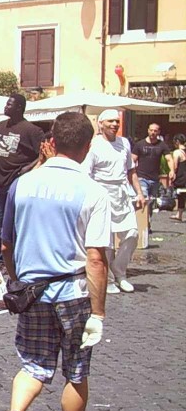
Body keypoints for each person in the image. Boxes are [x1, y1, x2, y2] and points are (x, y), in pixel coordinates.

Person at [0, 112, 111, 411]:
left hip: (33, 292)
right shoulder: (93, 191)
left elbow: (6, 244)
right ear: (87, 146)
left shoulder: (23, 184)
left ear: (52, 142)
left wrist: (18, 280)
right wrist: (99, 312)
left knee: (33, 364)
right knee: (75, 371)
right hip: (73, 292)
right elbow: (95, 258)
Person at [84, 109, 145, 294]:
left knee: (132, 233)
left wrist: (139, 193)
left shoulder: (124, 143)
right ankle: (109, 278)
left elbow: (131, 171)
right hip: (101, 193)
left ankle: (120, 271)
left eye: (117, 121)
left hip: (122, 193)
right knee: (107, 241)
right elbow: (86, 174)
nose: (115, 124)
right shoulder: (93, 145)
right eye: (110, 121)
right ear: (100, 124)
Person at [0, 94, 44, 274]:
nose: (6, 106)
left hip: (17, 184)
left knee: (15, 223)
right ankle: (1, 259)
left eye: (9, 104)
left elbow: (43, 154)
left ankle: (16, 258)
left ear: (19, 108)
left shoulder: (32, 131)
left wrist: (27, 169)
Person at [132, 122, 171, 230]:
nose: (153, 132)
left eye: (155, 131)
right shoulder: (140, 144)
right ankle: (141, 225)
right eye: (151, 130)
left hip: (154, 179)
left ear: (158, 132)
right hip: (141, 177)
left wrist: (171, 170)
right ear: (148, 130)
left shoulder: (162, 145)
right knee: (143, 199)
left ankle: (146, 222)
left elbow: (168, 158)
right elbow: (132, 159)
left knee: (151, 203)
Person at [169, 133, 186, 222]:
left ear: (177, 142)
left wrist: (172, 174)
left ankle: (179, 214)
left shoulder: (177, 152)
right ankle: (179, 214)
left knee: (181, 196)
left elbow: (175, 166)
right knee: (182, 195)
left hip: (181, 176)